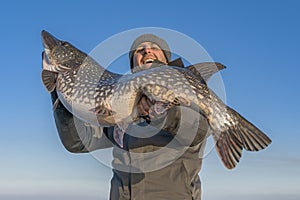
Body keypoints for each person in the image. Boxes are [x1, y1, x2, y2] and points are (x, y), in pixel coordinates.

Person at [49, 33, 209, 200]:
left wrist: (162, 113)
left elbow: (198, 131)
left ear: (167, 61)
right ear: (133, 66)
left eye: (155, 48)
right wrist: (63, 93)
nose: (147, 51)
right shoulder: (114, 113)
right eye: (140, 50)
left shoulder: (187, 98)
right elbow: (78, 142)